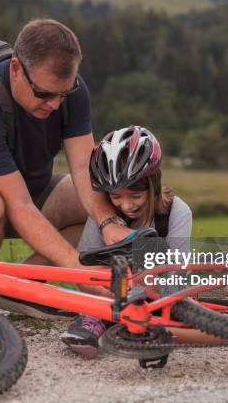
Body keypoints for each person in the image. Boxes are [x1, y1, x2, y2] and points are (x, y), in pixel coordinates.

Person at [0, 19, 133, 319]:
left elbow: (86, 169)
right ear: (16, 69)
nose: (55, 105)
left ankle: (19, 286)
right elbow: (18, 205)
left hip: (27, 192)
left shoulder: (70, 91)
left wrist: (108, 222)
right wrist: (79, 270)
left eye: (64, 94)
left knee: (107, 199)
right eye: (45, 94)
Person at [60, 125, 192, 359]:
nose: (126, 206)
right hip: (111, 294)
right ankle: (97, 319)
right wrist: (106, 296)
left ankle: (146, 326)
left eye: (136, 196)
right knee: (95, 306)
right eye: (116, 196)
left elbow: (178, 277)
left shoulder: (176, 213)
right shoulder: (103, 215)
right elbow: (85, 270)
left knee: (177, 310)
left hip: (158, 295)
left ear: (154, 184)